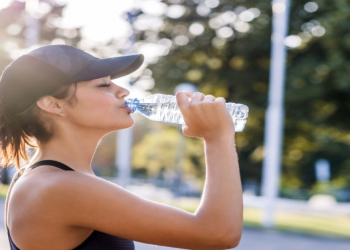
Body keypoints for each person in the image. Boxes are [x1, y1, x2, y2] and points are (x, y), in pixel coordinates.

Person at [0, 45, 243, 250]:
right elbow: (217, 233)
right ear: (53, 104)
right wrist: (218, 138)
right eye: (104, 85)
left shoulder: (46, 178)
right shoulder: (60, 186)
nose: (123, 91)